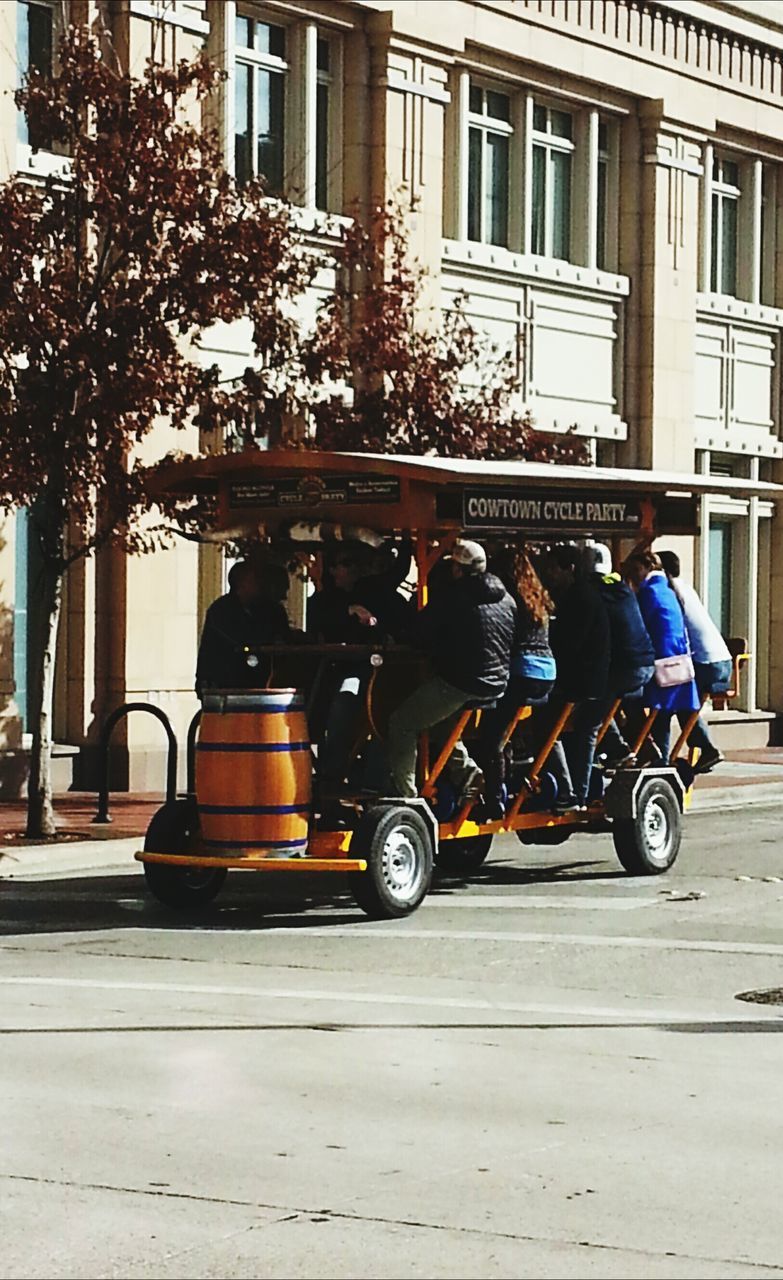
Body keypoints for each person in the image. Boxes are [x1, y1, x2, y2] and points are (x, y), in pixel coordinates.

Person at [384, 539, 516, 800]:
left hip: (461, 681)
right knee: (439, 720)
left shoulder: (453, 596)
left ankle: (405, 795)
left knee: (401, 724)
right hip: (497, 683)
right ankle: (467, 774)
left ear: (457, 568)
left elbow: (420, 633)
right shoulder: (507, 598)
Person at [308, 538, 414, 792]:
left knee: (357, 702)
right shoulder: (326, 599)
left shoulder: (375, 590)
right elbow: (318, 621)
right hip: (336, 671)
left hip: (381, 672)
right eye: (343, 564)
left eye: (351, 563)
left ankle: (369, 779)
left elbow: (397, 579)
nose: (350, 569)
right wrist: (347, 612)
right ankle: (330, 776)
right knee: (341, 701)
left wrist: (407, 542)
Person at [477, 548, 556, 818]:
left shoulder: (505, 599)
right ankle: (515, 765)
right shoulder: (537, 597)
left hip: (522, 671)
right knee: (510, 726)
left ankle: (495, 798)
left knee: (490, 737)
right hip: (546, 672)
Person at [536, 545, 610, 812]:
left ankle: (570, 793)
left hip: (582, 682)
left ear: (571, 569)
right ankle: (578, 792)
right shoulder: (578, 596)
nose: (549, 573)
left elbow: (570, 644)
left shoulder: (579, 599)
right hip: (590, 680)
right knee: (582, 736)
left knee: (547, 729)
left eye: (554, 568)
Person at [622, 550, 700, 763]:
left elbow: (639, 626)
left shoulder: (648, 592)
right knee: (664, 713)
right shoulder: (667, 590)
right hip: (677, 659)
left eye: (637, 570)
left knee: (632, 700)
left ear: (648, 568)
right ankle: (662, 759)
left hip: (660, 661)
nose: (635, 575)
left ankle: (649, 753)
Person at [583, 543, 655, 769]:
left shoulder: (593, 593)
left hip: (626, 667)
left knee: (587, 716)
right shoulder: (622, 589)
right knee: (608, 703)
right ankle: (637, 747)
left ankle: (580, 788)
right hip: (645, 663)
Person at [658, 550, 730, 774]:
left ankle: (662, 758)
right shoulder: (686, 587)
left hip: (705, 662)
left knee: (666, 706)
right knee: (683, 704)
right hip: (721, 658)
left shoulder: (670, 592)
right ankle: (705, 748)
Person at [195, 560, 290, 695]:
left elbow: (282, 636)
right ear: (241, 583)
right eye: (255, 579)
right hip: (222, 684)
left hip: (257, 683)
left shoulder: (268, 609)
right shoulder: (222, 609)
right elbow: (239, 638)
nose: (260, 584)